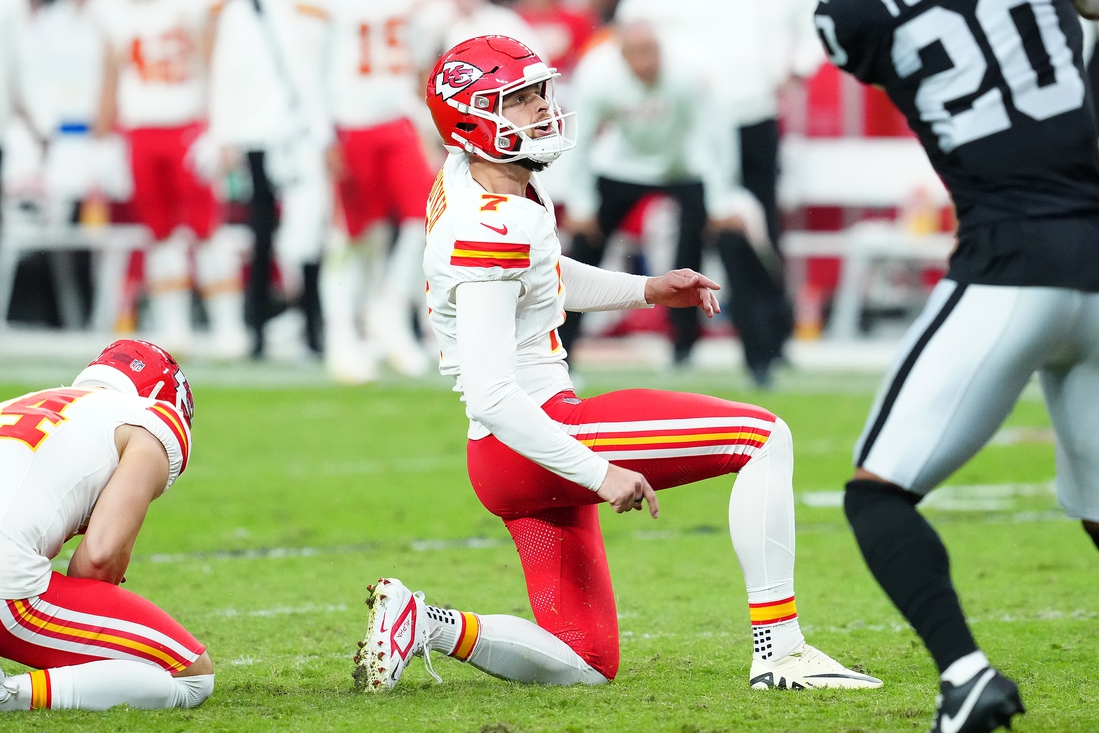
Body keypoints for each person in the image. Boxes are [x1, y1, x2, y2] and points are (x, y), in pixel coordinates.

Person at [352, 35, 883, 694]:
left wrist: (645, 289)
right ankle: (781, 651)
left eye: (539, 91)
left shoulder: (486, 181)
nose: (541, 108)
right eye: (517, 99)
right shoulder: (489, 222)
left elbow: (541, 275)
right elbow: (491, 391)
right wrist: (597, 471)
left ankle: (425, 624)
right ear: (469, 119)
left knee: (585, 662)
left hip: (513, 451)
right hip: (533, 435)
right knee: (762, 437)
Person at [813, 0, 1099, 730]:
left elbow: (858, 38)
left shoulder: (854, 15)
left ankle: (965, 677)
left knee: (876, 495)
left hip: (1009, 263)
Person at [0, 339, 213, 712]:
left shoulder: (24, 402)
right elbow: (98, 560)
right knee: (192, 677)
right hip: (8, 588)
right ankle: (11, 695)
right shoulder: (151, 419)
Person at [560, 19, 771, 376]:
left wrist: (722, 201)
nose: (646, 62)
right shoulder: (597, 78)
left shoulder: (687, 74)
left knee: (724, 242)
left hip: (684, 167)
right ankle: (561, 356)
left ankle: (756, 361)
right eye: (637, 54)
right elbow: (579, 143)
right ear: (621, 56)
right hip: (621, 167)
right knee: (583, 247)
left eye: (651, 51)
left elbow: (715, 134)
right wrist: (581, 205)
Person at [93, 0, 249, 359]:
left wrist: (219, 127)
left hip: (187, 125)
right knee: (159, 234)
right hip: (140, 131)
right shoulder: (114, 14)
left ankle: (228, 326)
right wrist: (102, 140)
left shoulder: (190, 8)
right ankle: (174, 328)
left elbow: (216, 65)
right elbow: (110, 76)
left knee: (207, 229)